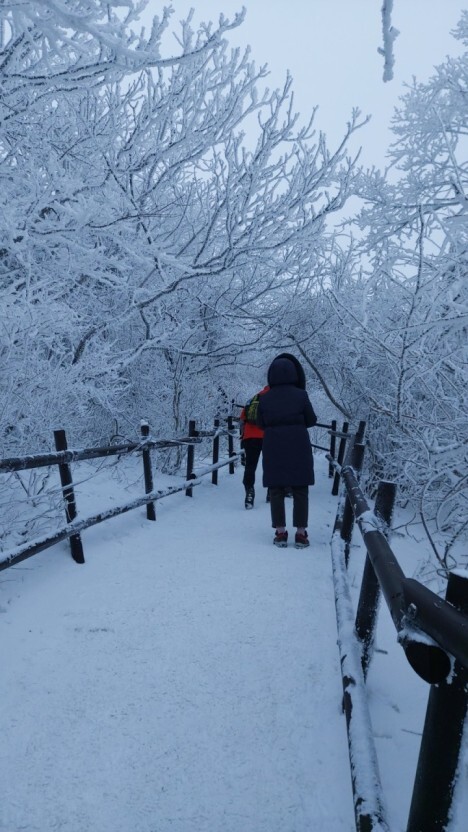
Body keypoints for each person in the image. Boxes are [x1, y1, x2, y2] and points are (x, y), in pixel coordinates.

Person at [256, 354, 317, 548]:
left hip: (273, 445)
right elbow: (312, 420)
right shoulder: (301, 395)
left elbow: (260, 423)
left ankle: (281, 533)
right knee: (300, 488)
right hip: (299, 445)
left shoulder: (264, 398)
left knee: (276, 488)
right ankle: (301, 534)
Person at [239, 384, 269, 508]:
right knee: (270, 465)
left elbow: (242, 420)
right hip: (268, 436)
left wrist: (243, 436)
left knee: (250, 466)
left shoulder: (253, 399)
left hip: (250, 437)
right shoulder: (275, 398)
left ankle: (249, 492)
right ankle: (271, 492)